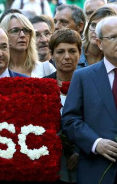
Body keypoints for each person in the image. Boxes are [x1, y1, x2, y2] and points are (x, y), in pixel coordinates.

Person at [62, 16, 117, 184]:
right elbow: (70, 119)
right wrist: (95, 143)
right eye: (113, 37)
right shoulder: (83, 76)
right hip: (96, 168)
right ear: (99, 43)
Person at [45, 28, 82, 184]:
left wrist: (80, 152)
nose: (67, 57)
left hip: (86, 160)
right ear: (52, 55)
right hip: (51, 162)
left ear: (80, 54)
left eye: (72, 51)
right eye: (60, 52)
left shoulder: (91, 83)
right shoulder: (43, 86)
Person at [0, 13, 55, 77]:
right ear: (4, 35)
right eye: (15, 30)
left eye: (26, 30)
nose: (22, 35)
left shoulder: (45, 69)